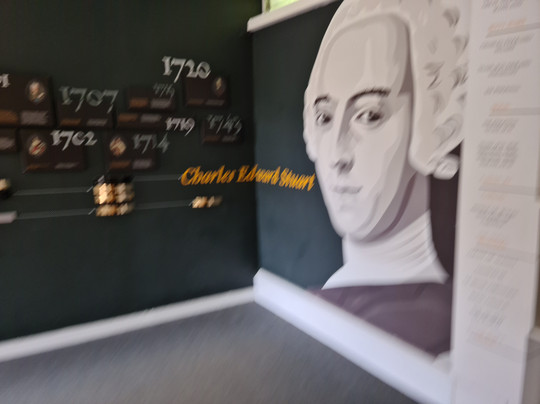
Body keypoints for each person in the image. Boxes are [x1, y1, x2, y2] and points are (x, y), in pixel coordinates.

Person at [303, 0, 469, 356]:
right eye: (325, 117)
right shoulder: (333, 296)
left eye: (369, 115)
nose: (337, 155)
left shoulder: (428, 319)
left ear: (431, 118)